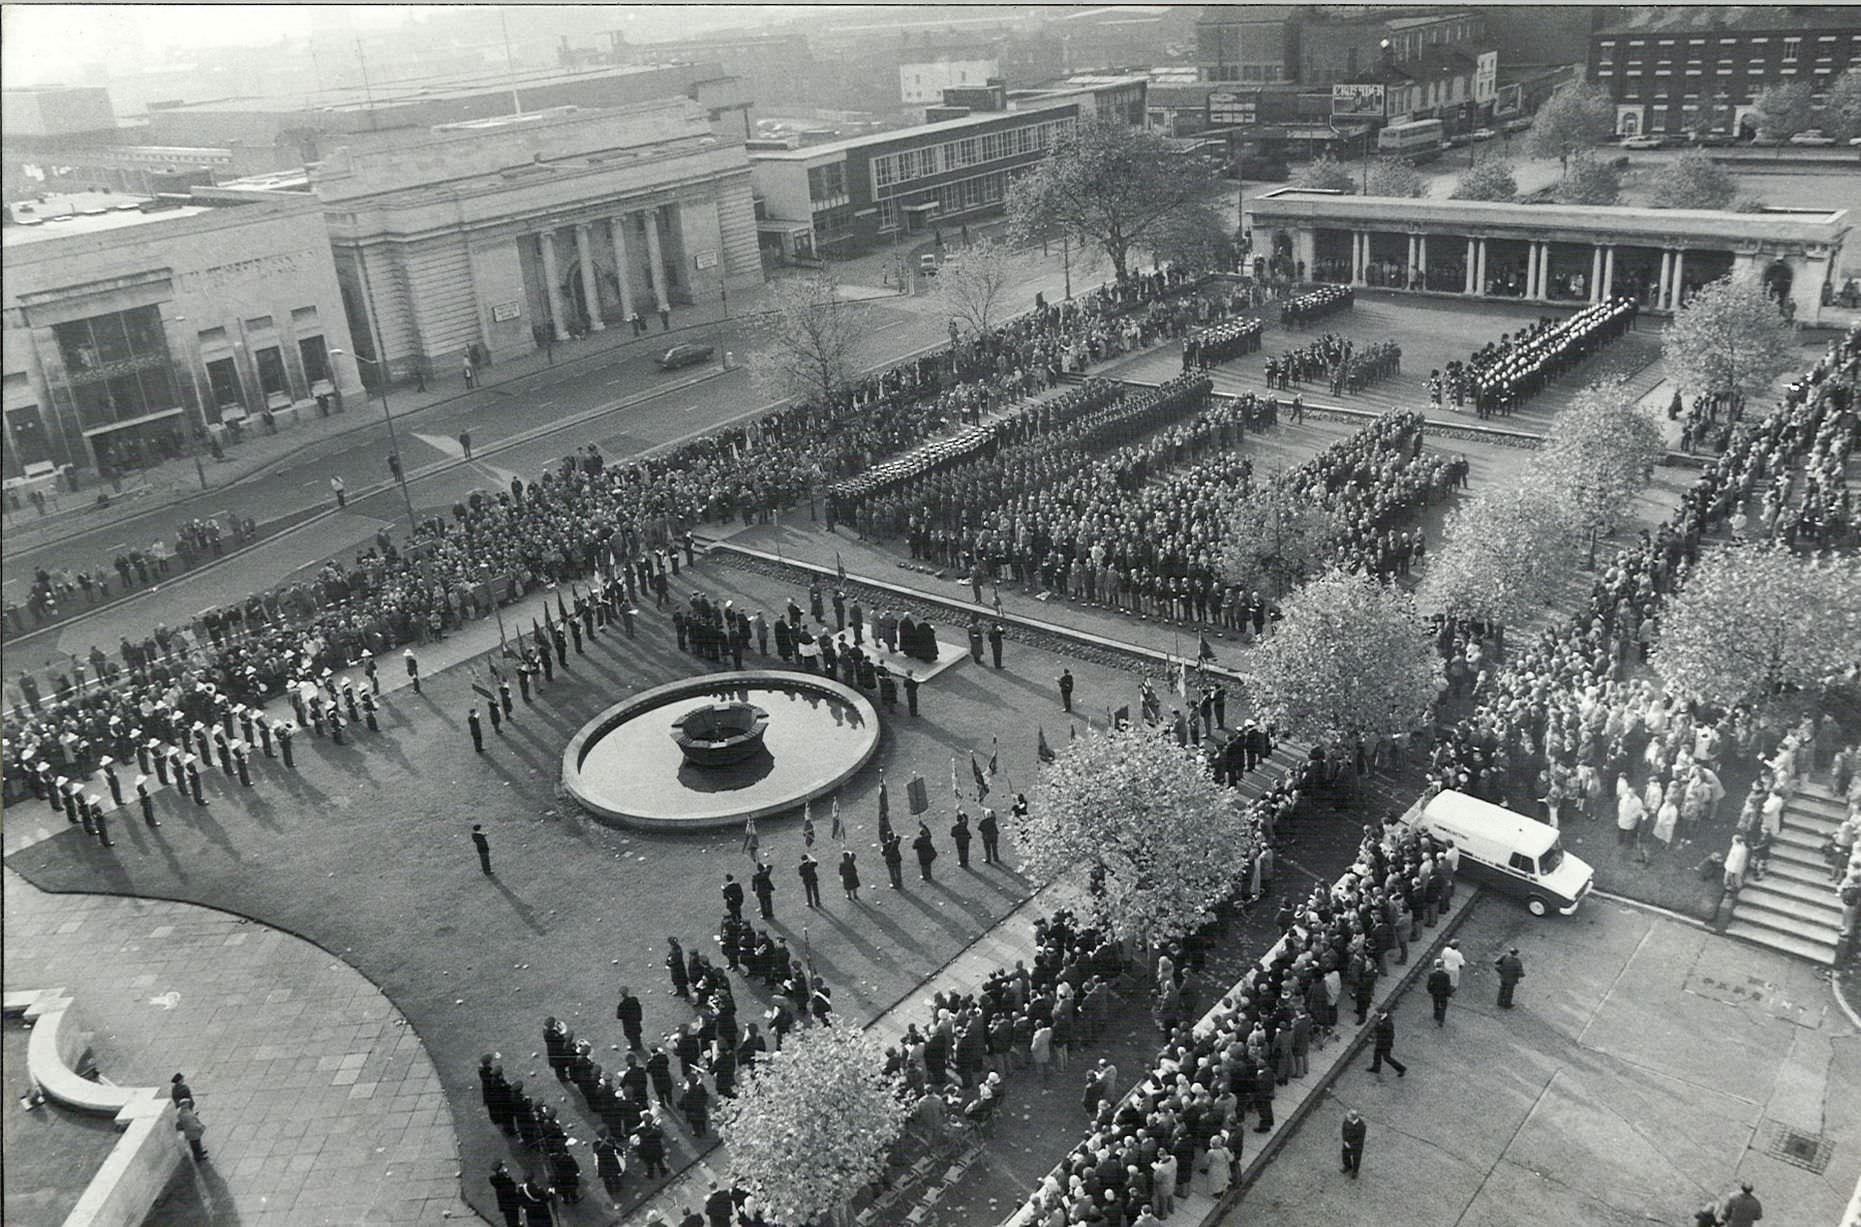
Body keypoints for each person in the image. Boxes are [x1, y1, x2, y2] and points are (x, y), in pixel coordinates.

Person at [1367, 1008, 1406, 1076]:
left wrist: (1380, 1038)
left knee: (1387, 1058)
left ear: (1381, 1013)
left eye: (1377, 1013)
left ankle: (1401, 1068)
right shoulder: (1382, 1019)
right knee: (1377, 1054)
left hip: (1385, 1043)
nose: (1376, 1014)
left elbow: (1389, 1034)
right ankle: (1376, 1068)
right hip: (1380, 1041)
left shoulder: (1387, 1023)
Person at [489, 1161, 523, 1227]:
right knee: (514, 1221)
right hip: (511, 1203)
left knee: (510, 1221)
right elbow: (510, 1190)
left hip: (505, 1204)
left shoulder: (495, 1179)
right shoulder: (504, 1179)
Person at [1426, 958, 1453, 1026]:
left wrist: (1430, 991)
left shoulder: (1432, 975)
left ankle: (1436, 1014)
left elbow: (1429, 985)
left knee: (1435, 1003)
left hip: (1435, 993)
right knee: (1443, 1006)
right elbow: (1447, 986)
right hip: (1443, 994)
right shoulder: (1446, 976)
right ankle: (1441, 1020)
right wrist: (1449, 994)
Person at [1340, 1108, 1367, 1177]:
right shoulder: (1347, 1120)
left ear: (1353, 1119)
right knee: (1345, 1155)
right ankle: (1348, 1166)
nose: (1347, 1118)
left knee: (1356, 1158)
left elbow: (1360, 1139)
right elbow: (1343, 1130)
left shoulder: (1361, 1126)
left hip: (1356, 1146)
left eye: (1349, 1117)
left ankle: (1355, 1171)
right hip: (1347, 1143)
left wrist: (1351, 1145)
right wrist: (1345, 1140)